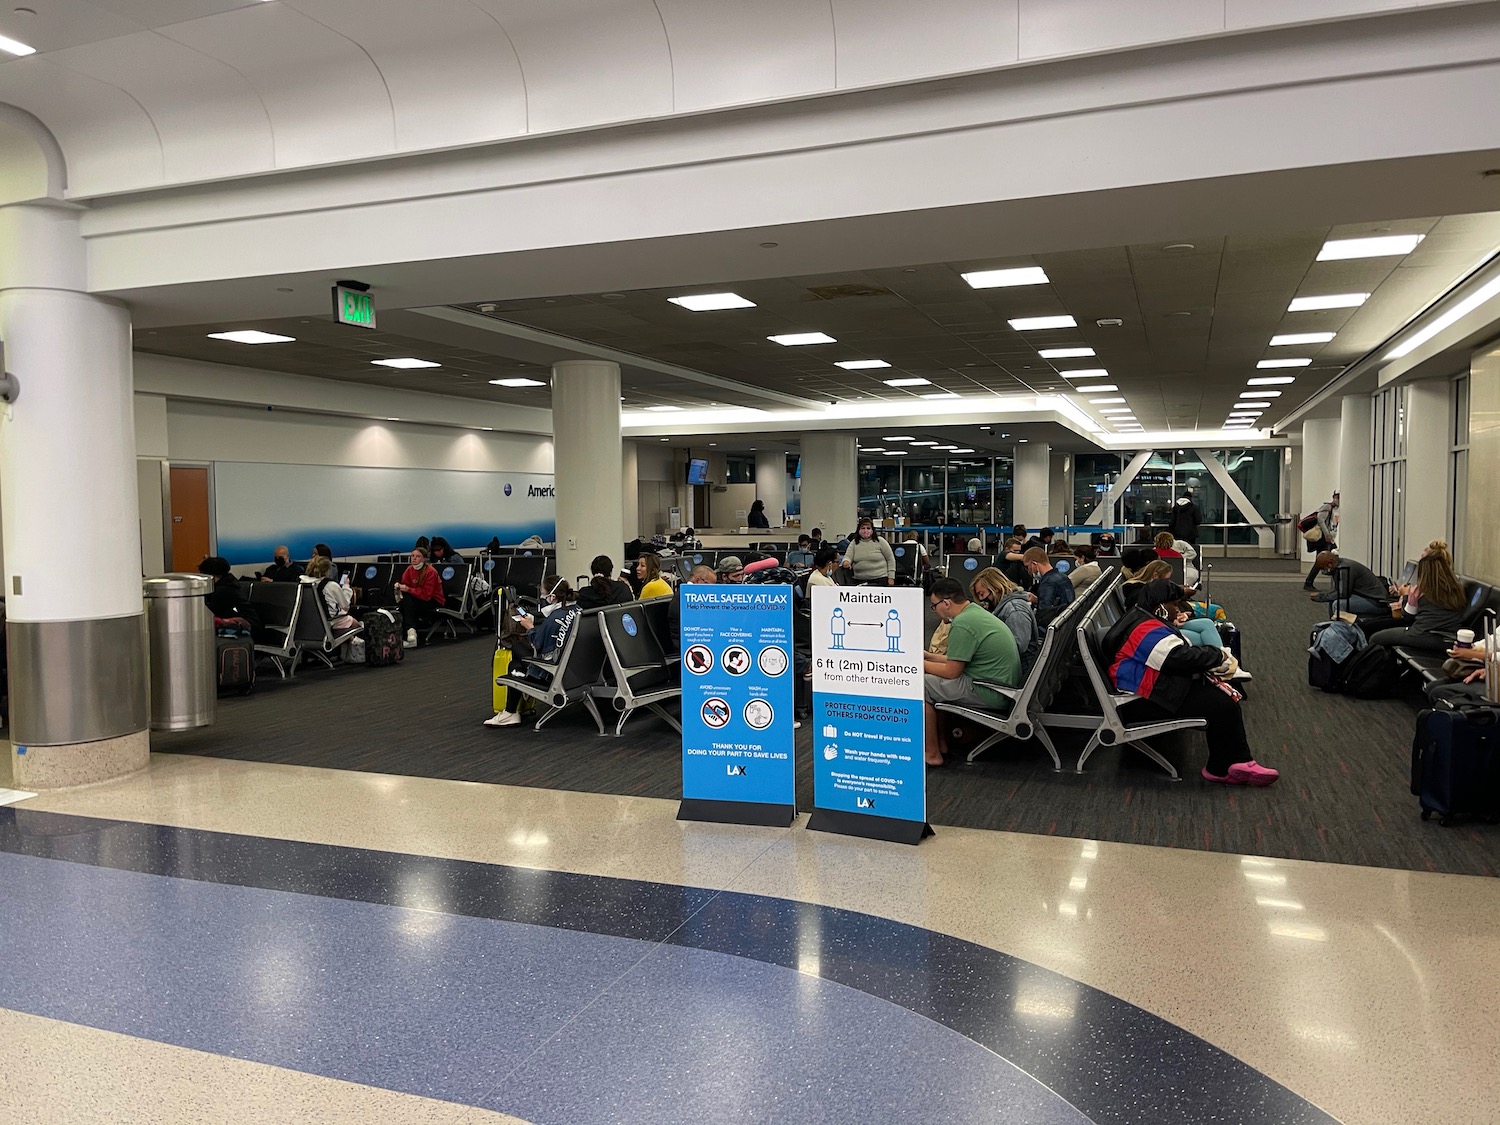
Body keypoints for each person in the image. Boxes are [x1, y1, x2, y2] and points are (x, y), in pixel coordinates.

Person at [1102, 578, 1278, 786]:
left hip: (1148, 690)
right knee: (1222, 705)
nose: (1177, 609)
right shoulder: (1143, 628)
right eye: (1174, 604)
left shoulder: (1141, 619)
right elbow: (1176, 658)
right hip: (1139, 702)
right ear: (1160, 606)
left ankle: (1229, 763)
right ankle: (1227, 766)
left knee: (1220, 700)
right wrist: (1218, 656)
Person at [922, 577, 1021, 766]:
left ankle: (931, 753)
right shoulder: (975, 613)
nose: (934, 611)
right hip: (1000, 685)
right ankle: (941, 744)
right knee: (931, 679)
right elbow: (959, 659)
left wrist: (918, 666)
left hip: (989, 690)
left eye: (934, 606)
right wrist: (929, 656)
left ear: (946, 603)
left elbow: (952, 672)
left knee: (919, 686)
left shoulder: (962, 624)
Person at [485, 578, 579, 727]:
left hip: (553, 673)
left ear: (552, 597)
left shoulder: (553, 620)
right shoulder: (577, 610)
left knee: (515, 653)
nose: (541, 598)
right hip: (576, 670)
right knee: (518, 658)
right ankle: (520, 680)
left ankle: (510, 711)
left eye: (543, 594)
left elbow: (538, 645)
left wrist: (529, 627)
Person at [1367, 542, 1468, 654]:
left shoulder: (1424, 589)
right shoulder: (1456, 587)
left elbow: (1407, 617)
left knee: (1375, 639)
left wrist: (1406, 596)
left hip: (1425, 634)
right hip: (1450, 638)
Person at [969, 566, 1040, 678]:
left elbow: (1018, 646)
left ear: (995, 588)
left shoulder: (1014, 610)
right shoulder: (1007, 607)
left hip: (1017, 669)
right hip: (1013, 666)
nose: (981, 599)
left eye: (982, 594)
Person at [1307, 551, 1394, 617]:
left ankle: (1342, 632)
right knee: (1333, 601)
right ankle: (1335, 628)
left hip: (1376, 601)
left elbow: (1343, 594)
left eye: (1324, 567)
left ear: (1330, 562)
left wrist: (1321, 597)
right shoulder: (1340, 566)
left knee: (1338, 604)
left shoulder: (1344, 569)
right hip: (1366, 596)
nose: (1324, 570)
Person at [395, 546, 446, 647]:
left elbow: (427, 595)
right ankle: (410, 632)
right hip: (416, 598)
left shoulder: (431, 572)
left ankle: (410, 634)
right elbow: (406, 584)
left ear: (424, 558)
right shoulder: (409, 569)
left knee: (407, 603)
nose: (414, 558)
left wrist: (408, 589)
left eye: (417, 556)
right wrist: (401, 588)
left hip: (433, 600)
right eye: (412, 556)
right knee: (405, 602)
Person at [667, 564, 716, 652]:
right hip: (686, 648)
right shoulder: (684, 598)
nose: (711, 591)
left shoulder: (690, 596)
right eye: (709, 586)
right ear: (697, 580)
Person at [302, 554, 357, 631]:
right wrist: (346, 586)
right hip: (329, 622)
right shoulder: (330, 585)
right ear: (327, 570)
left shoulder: (302, 582)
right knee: (353, 622)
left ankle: (351, 639)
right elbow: (345, 604)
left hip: (307, 622)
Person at [1023, 546, 1074, 626]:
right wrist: (1037, 600)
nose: (1028, 570)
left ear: (1034, 564)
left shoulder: (1047, 583)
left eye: (1027, 566)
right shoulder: (1064, 577)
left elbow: (1044, 615)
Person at [1302, 491, 1339, 591]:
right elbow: (1320, 520)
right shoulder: (1327, 507)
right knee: (1326, 558)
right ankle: (1309, 582)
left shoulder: (1334, 510)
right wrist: (1327, 534)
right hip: (1323, 538)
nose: (1338, 499)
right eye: (1337, 497)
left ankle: (1310, 581)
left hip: (1327, 538)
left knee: (1327, 558)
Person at [841, 517, 895, 586]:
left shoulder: (880, 541)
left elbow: (890, 559)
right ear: (859, 530)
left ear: (872, 530)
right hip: (859, 580)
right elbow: (847, 556)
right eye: (863, 528)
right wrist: (846, 562)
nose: (865, 530)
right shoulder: (854, 543)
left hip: (880, 579)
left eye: (868, 528)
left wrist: (891, 577)